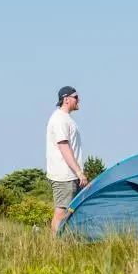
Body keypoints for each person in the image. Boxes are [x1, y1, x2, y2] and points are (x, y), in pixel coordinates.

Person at [46, 85, 88, 234]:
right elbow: (64, 147)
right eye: (76, 97)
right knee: (61, 213)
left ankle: (62, 244)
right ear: (66, 99)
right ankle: (56, 248)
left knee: (67, 213)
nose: (79, 100)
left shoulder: (66, 119)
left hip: (69, 175)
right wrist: (79, 172)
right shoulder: (59, 119)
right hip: (64, 175)